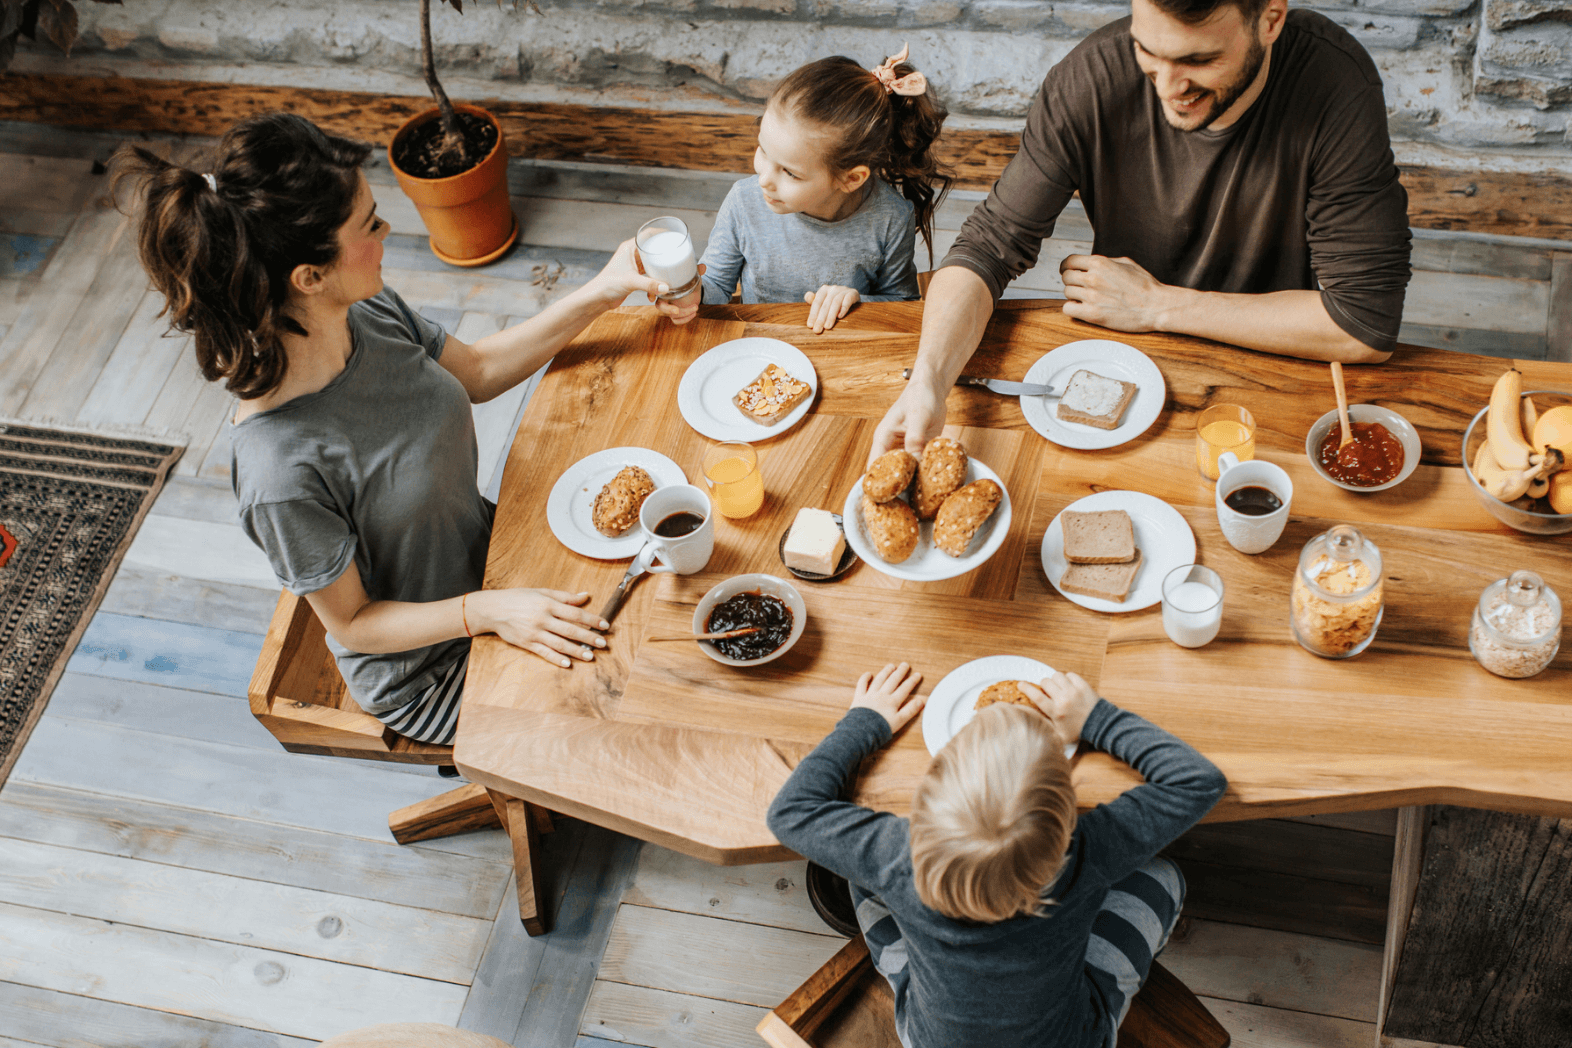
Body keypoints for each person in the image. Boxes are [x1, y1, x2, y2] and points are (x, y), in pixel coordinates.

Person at [114, 114, 676, 746]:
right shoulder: (281, 473)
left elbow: (481, 370)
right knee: (647, 710)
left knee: (677, 599)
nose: (388, 232)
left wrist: (605, 290)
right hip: (434, 668)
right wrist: (488, 613)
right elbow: (353, 624)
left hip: (497, 562)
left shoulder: (364, 307)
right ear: (310, 276)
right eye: (370, 224)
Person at [873, 0, 1413, 460]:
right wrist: (930, 382)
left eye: (1199, 60)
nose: (1169, 87)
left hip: (1272, 371)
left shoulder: (1336, 80)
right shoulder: (1089, 79)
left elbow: (1362, 324)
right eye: (1149, 53)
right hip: (1121, 370)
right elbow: (987, 248)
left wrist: (1157, 306)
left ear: (1269, 18)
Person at [767, 663, 1227, 1048]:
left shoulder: (893, 854)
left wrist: (865, 720)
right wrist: (1096, 720)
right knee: (1163, 873)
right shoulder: (1089, 850)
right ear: (1068, 816)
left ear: (926, 794)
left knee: (857, 876)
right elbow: (1198, 781)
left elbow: (789, 812)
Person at [662, 45, 953, 334]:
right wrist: (686, 293)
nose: (763, 179)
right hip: (759, 347)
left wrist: (858, 301)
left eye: (790, 172)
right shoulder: (744, 201)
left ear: (851, 179)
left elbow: (902, 304)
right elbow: (715, 287)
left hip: (842, 352)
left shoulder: (890, 217)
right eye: (763, 151)